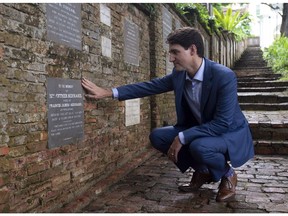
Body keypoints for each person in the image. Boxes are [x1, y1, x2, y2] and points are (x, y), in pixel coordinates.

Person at [81, 27, 254, 202]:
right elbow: (149, 86)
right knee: (158, 136)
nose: (171, 58)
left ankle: (228, 174)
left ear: (193, 50)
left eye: (175, 52)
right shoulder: (179, 75)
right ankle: (202, 171)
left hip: (227, 132)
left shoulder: (223, 76)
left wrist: (182, 137)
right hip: (200, 129)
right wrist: (108, 92)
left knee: (199, 147)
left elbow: (222, 123)